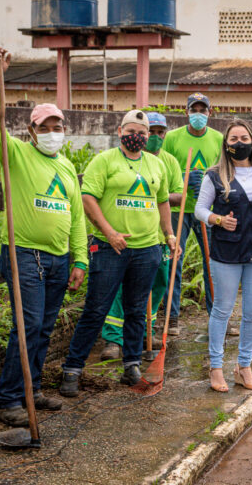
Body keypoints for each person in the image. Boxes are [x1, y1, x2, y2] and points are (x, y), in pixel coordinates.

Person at [0, 48, 88, 426]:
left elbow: (76, 217)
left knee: (44, 327)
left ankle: (33, 389)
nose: (52, 133)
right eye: (45, 127)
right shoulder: (17, 155)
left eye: (58, 126)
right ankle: (8, 400)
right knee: (26, 327)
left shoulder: (66, 165)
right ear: (32, 131)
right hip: (25, 255)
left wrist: (79, 259)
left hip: (59, 259)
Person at [60, 110, 180, 396]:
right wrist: (110, 232)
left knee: (138, 310)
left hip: (147, 249)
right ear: (119, 131)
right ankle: (72, 370)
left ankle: (132, 365)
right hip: (109, 248)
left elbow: (162, 201)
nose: (137, 136)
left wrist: (169, 234)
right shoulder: (104, 161)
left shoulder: (156, 165)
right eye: (131, 130)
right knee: (96, 309)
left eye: (142, 131)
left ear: (149, 136)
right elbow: (87, 197)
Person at [195, 119, 252, 392]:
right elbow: (199, 210)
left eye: (244, 138)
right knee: (222, 310)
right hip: (227, 251)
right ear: (226, 144)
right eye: (234, 139)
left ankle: (243, 367)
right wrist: (218, 220)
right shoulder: (214, 175)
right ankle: (216, 368)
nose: (239, 143)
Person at [99, 112, 184, 360]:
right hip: (128, 237)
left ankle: (145, 333)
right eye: (152, 131)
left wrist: (168, 229)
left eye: (159, 133)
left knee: (156, 286)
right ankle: (114, 339)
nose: (154, 137)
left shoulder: (167, 162)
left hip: (157, 238)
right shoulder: (118, 160)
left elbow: (176, 197)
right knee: (119, 289)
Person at [162, 93, 223, 335]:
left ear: (210, 112)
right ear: (186, 112)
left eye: (203, 110)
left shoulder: (218, 139)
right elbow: (163, 167)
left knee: (213, 262)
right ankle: (171, 317)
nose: (198, 114)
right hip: (179, 209)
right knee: (174, 261)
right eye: (194, 109)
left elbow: (225, 173)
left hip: (207, 209)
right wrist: (179, 187)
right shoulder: (173, 139)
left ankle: (217, 316)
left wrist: (211, 182)